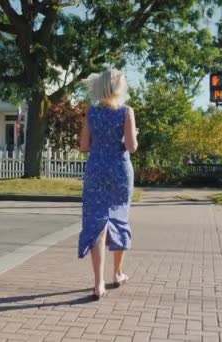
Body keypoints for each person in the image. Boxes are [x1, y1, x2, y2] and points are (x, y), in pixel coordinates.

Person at [79, 69, 139, 300]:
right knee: (119, 218)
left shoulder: (91, 112)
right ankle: (118, 273)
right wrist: (134, 135)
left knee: (97, 223)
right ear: (118, 88)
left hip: (96, 170)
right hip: (119, 171)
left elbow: (84, 146)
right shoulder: (126, 112)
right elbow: (132, 147)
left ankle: (98, 284)